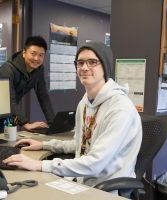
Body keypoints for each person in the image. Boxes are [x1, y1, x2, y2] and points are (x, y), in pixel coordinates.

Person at [3, 42, 142, 188]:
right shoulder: (85, 103)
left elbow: (95, 163)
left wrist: (40, 164)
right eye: (80, 62)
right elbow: (78, 144)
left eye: (92, 62)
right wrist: (44, 144)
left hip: (104, 188)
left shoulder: (120, 109)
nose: (84, 67)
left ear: (105, 67)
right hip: (81, 179)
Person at [0, 36, 55, 131]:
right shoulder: (7, 70)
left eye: (41, 55)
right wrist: (26, 123)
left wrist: (53, 123)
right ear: (24, 53)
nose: (37, 58)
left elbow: (43, 96)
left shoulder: (38, 70)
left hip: (7, 112)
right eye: (33, 53)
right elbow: (8, 99)